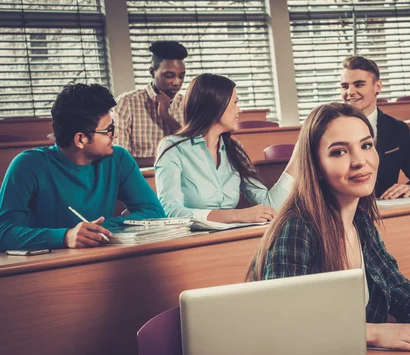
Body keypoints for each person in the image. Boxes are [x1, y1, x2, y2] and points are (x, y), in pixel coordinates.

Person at [246, 103, 410, 351]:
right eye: (339, 151)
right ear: (315, 165)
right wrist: (372, 333)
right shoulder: (296, 228)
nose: (360, 161)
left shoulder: (360, 222)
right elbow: (284, 323)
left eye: (366, 146)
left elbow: (400, 295)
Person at [0, 84, 166, 251]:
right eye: (108, 130)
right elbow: (3, 233)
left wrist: (99, 229)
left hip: (101, 259)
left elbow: (154, 212)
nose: (114, 135)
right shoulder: (27, 165)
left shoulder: (119, 159)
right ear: (80, 139)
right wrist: (65, 236)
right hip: (44, 267)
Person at [155, 73, 297, 224]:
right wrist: (236, 216)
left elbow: (270, 206)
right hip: (192, 242)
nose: (239, 110)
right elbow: (169, 210)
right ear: (216, 104)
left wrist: (297, 158)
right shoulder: (173, 148)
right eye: (235, 102)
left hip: (230, 240)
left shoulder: (235, 150)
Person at [340, 56, 410, 199]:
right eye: (345, 86)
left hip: (385, 212)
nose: (350, 92)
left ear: (378, 87)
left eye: (359, 85)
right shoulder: (329, 129)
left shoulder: (398, 130)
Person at [113, 41, 188, 166]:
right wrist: (169, 161)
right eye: (169, 75)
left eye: (181, 76)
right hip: (141, 180)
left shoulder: (188, 104)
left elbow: (192, 151)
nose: (177, 82)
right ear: (152, 72)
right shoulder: (126, 103)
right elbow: (120, 158)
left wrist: (166, 116)